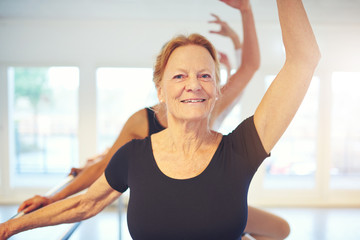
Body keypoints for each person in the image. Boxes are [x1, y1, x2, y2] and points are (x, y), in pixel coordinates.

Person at [1, 0, 320, 239]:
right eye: (179, 75)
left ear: (218, 90)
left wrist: (248, 12)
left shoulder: (242, 148)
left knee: (280, 228)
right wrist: (11, 226)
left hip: (221, 201)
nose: (193, 84)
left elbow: (303, 59)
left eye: (205, 75)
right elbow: (84, 204)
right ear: (161, 89)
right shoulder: (133, 155)